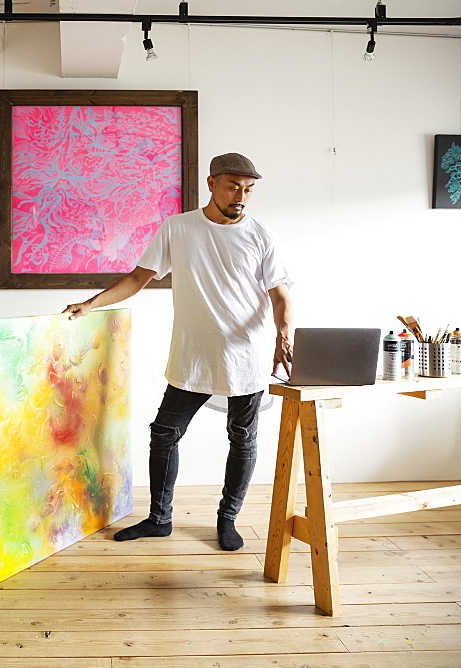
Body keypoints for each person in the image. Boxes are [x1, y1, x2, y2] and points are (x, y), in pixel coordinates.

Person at [63, 152, 293, 551]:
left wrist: (284, 335)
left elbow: (280, 296)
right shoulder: (179, 228)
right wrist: (91, 304)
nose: (241, 195)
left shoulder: (261, 235)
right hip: (194, 355)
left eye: (248, 189)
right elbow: (138, 278)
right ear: (211, 183)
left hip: (246, 356)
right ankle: (159, 518)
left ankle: (228, 519)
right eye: (233, 186)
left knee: (242, 438)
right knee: (164, 434)